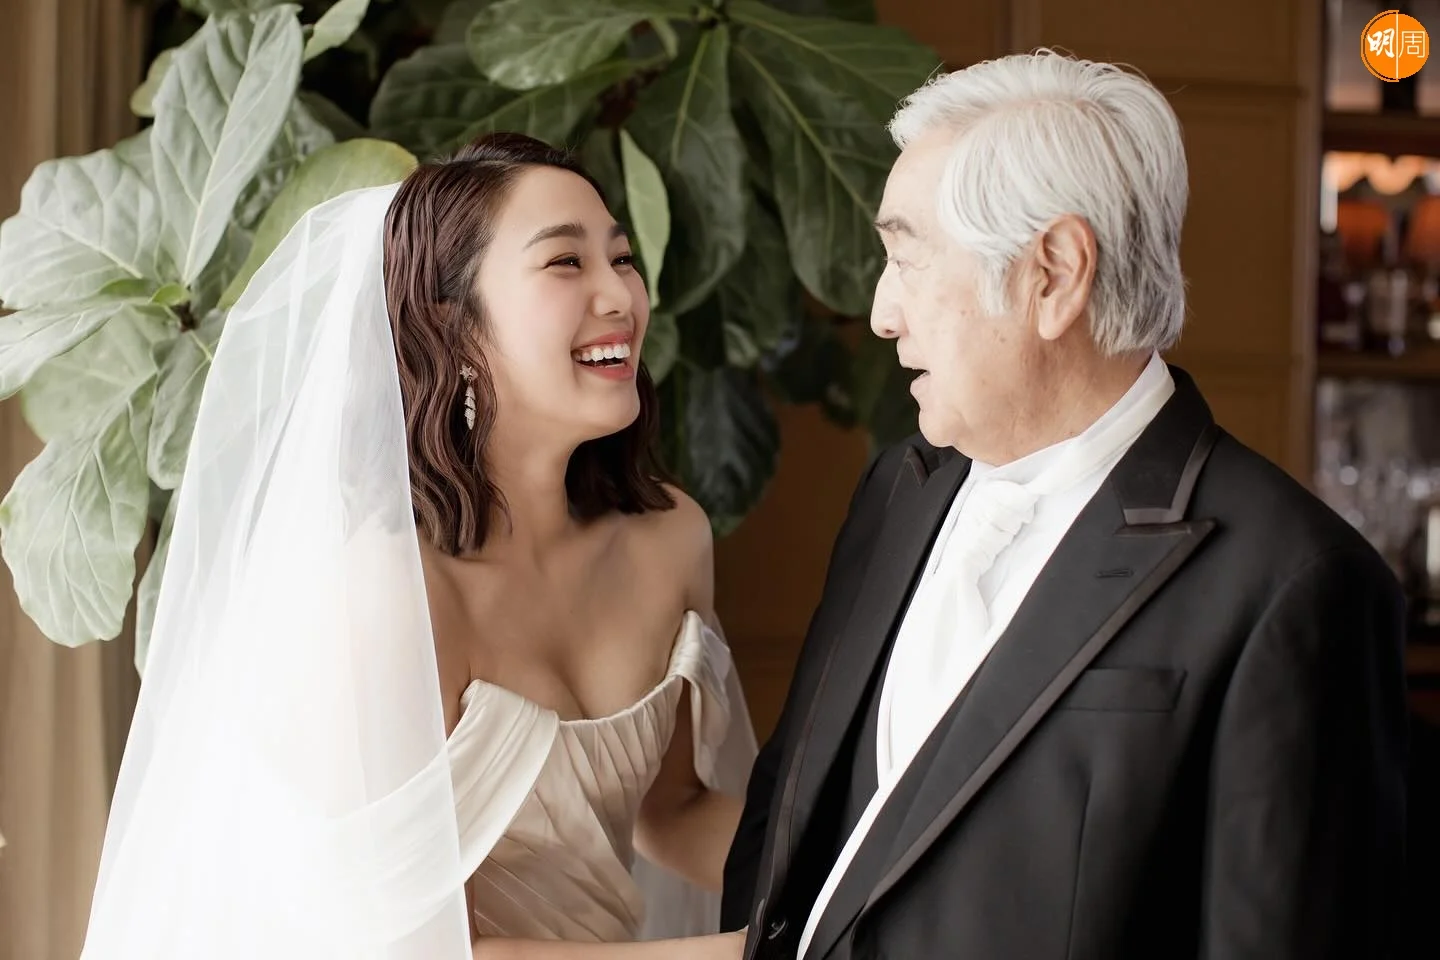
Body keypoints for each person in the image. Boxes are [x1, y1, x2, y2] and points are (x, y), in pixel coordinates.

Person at [720, 50, 1409, 960]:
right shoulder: (897, 489)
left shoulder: (1295, 582)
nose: (882, 312)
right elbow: (791, 848)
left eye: (907, 259)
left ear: (1053, 274)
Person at [78, 133, 753, 960]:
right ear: (454, 327)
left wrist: (863, 877)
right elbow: (421, 949)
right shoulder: (388, 595)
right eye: (565, 263)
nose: (619, 295)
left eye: (621, 258)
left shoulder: (669, 538)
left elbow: (672, 811)